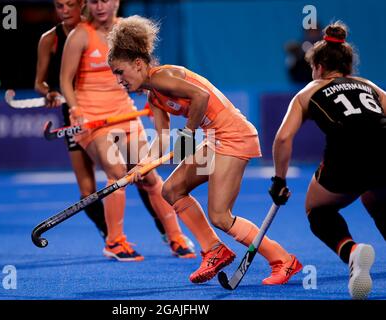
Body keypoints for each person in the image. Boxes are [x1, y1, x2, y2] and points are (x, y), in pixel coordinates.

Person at [107, 15, 302, 284]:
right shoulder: (154, 96)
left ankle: (283, 260)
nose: (119, 80)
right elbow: (162, 138)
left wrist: (186, 138)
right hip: (215, 138)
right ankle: (213, 250)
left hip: (234, 137)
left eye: (120, 71)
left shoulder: (163, 76)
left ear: (138, 64)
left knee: (221, 216)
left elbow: (202, 97)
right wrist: (142, 165)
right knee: (171, 189)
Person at [60, 0, 195, 261]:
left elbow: (143, 69)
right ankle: (114, 242)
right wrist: (75, 109)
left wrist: (151, 92)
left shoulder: (127, 30)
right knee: (117, 172)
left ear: (116, 2)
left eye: (105, 0)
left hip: (126, 113)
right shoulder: (79, 35)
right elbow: (65, 80)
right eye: (93, 1)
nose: (100, 6)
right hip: (93, 119)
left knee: (148, 174)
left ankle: (175, 236)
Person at [270, 21, 384, 299]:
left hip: (346, 158)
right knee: (374, 195)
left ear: (319, 67)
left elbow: (283, 139)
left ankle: (352, 251)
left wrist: (279, 181)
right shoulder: (368, 85)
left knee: (317, 210)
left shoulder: (308, 92)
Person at [35, 0, 107, 239]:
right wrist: (50, 93)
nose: (64, 10)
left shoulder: (96, 31)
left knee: (133, 175)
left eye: (69, 5)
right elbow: (40, 82)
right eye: (58, 6)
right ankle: (111, 236)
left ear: (82, 5)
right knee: (87, 190)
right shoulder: (49, 39)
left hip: (106, 110)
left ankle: (167, 233)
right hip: (73, 115)